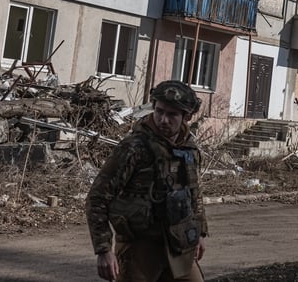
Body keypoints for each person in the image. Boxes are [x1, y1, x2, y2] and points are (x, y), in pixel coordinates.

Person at [86, 80, 209, 282]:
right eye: (159, 111)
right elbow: (97, 198)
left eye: (172, 114)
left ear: (186, 117)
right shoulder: (134, 147)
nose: (163, 120)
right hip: (139, 247)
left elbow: (193, 192)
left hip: (178, 244)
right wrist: (103, 250)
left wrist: (200, 233)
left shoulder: (188, 147)